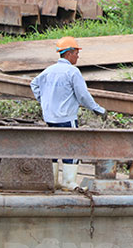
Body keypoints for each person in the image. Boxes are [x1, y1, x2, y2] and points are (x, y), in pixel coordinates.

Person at [30, 36, 107, 188]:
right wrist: (98, 110)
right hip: (66, 118)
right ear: (69, 53)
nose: (78, 56)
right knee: (72, 148)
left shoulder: (49, 71)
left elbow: (34, 84)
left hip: (50, 118)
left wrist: (44, 102)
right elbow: (83, 95)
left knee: (52, 148)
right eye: (77, 53)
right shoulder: (72, 72)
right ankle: (69, 182)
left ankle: (51, 181)